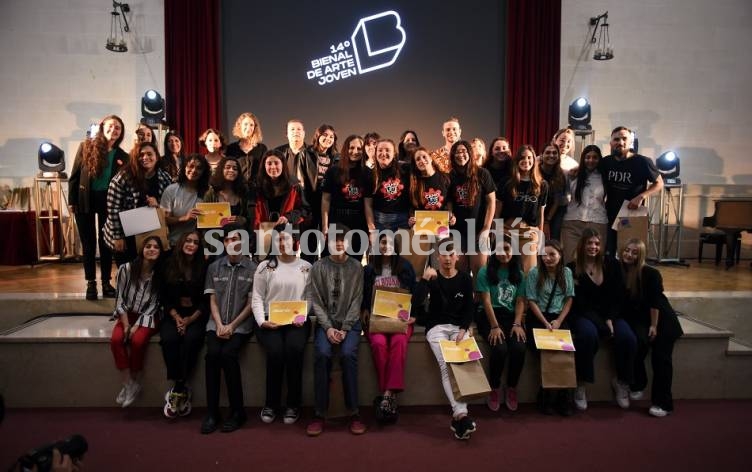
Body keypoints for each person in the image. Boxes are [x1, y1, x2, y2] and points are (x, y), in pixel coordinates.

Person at [413, 240, 477, 440]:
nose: (448, 259)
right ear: (438, 257)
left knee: (461, 364)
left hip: (459, 328)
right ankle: (461, 413)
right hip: (436, 328)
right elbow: (415, 303)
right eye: (444, 255)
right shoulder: (432, 277)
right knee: (445, 364)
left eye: (452, 254)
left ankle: (459, 418)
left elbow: (469, 307)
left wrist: (464, 328)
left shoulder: (466, 279)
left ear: (458, 257)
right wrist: (424, 280)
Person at [306, 224, 366, 436]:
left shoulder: (357, 267)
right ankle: (319, 413)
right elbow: (316, 303)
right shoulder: (318, 267)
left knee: (348, 354)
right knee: (322, 353)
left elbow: (357, 300)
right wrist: (329, 328)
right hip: (327, 324)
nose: (339, 243)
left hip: (350, 323)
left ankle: (354, 412)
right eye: (334, 239)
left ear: (349, 242)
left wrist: (346, 327)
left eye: (342, 239)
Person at [567, 228, 636, 411]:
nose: (593, 246)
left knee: (628, 338)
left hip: (610, 314)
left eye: (597, 243)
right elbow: (579, 304)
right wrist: (603, 324)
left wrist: (610, 319)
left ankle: (622, 382)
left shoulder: (612, 265)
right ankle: (580, 385)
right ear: (582, 244)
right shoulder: (572, 268)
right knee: (587, 335)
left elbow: (618, 296)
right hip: (584, 315)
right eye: (589, 243)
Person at [251, 228, 312, 425]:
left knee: (294, 349)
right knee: (276, 352)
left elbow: (310, 297)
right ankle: (271, 404)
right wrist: (262, 321)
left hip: (297, 321)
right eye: (278, 239)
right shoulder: (264, 267)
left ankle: (293, 405)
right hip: (270, 321)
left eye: (286, 238)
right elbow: (257, 298)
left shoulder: (306, 266)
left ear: (294, 242)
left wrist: (303, 315)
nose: (282, 242)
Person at [201, 223, 257, 434]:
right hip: (215, 323)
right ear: (223, 243)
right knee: (212, 354)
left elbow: (251, 304)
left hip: (240, 325)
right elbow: (212, 300)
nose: (233, 243)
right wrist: (219, 324)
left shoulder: (254, 269)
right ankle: (212, 412)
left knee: (228, 354)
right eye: (228, 240)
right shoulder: (214, 267)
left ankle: (237, 412)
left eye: (237, 239)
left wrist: (231, 326)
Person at [620, 238, 683, 417]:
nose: (629, 254)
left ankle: (663, 403)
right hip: (643, 320)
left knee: (661, 361)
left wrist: (654, 326)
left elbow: (655, 303)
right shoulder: (622, 271)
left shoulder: (651, 273)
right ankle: (638, 383)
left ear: (641, 256)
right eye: (627, 250)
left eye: (634, 252)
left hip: (663, 321)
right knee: (637, 344)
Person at [68, 114, 128, 300]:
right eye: (111, 126)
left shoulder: (122, 156)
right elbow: (75, 175)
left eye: (118, 127)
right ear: (103, 128)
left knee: (105, 244)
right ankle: (91, 284)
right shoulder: (86, 146)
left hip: (108, 202)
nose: (114, 130)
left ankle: (105, 283)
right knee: (88, 243)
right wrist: (72, 201)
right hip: (84, 199)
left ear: (121, 132)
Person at [362, 233, 417, 422]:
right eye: (383, 242)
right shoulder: (369, 269)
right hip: (377, 320)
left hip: (400, 320)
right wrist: (365, 310)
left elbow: (414, 295)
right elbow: (363, 296)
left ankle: (386, 394)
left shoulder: (405, 267)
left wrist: (413, 315)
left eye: (390, 242)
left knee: (399, 343)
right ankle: (389, 396)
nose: (386, 246)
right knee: (378, 344)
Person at [110, 235, 164, 408]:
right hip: (127, 314)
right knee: (116, 339)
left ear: (160, 252)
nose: (152, 249)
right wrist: (126, 325)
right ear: (142, 249)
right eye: (148, 246)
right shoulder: (125, 269)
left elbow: (154, 304)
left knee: (138, 341)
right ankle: (129, 384)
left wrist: (137, 326)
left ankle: (132, 382)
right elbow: (119, 299)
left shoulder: (160, 274)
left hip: (149, 316)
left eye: (156, 247)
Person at [159, 231, 208, 418]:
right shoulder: (169, 264)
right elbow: (163, 295)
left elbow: (206, 299)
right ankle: (180, 383)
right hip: (173, 313)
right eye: (188, 241)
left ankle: (179, 387)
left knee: (192, 339)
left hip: (196, 314)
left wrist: (190, 319)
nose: (191, 245)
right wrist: (177, 317)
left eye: (195, 242)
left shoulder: (204, 266)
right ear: (181, 243)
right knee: (169, 339)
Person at [475, 235, 527, 412]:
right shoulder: (485, 271)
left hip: (511, 317)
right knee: (500, 348)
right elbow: (486, 302)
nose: (503, 253)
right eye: (499, 249)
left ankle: (511, 387)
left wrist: (517, 324)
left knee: (519, 348)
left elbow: (520, 301)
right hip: (489, 316)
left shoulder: (519, 274)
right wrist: (495, 327)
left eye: (507, 249)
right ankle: (494, 387)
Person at [524, 239, 574, 416]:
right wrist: (545, 322)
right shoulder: (534, 273)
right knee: (546, 354)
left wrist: (559, 321)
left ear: (560, 255)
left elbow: (569, 298)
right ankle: (546, 397)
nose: (547, 258)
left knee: (566, 352)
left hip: (558, 317)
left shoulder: (566, 272)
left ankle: (565, 398)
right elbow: (531, 300)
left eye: (552, 254)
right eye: (544, 254)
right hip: (539, 317)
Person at [103, 141, 172, 265]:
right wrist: (118, 237)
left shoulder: (165, 178)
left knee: (152, 273)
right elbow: (113, 209)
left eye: (149, 154)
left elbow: (169, 208)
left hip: (153, 233)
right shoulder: (123, 177)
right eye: (141, 155)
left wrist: (158, 204)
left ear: (156, 156)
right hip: (126, 234)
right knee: (128, 272)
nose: (145, 158)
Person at [601, 126, 663, 255]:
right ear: (611, 143)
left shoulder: (643, 161)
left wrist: (641, 197)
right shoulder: (606, 162)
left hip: (631, 215)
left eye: (624, 139)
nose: (620, 142)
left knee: (631, 254)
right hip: (610, 214)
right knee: (609, 253)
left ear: (630, 142)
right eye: (616, 139)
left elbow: (659, 183)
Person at [447, 140, 496, 280]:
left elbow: (491, 202)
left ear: (470, 153)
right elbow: (449, 200)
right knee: (461, 273)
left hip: (479, 230)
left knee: (479, 273)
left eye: (463, 151)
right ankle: (464, 301)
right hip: (458, 231)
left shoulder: (482, 173)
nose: (460, 154)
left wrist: (486, 228)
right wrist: (450, 213)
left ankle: (479, 302)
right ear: (452, 155)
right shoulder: (451, 176)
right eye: (457, 152)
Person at [496, 145, 549, 272]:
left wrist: (540, 238)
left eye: (529, 157)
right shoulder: (506, 182)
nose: (526, 161)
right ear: (516, 161)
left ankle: (525, 293)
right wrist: (497, 234)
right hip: (507, 229)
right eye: (522, 157)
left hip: (530, 232)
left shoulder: (542, 185)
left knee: (529, 271)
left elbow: (541, 214)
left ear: (534, 160)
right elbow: (497, 211)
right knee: (506, 270)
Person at [321, 135, 371, 259]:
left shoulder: (367, 173)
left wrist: (371, 227)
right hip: (337, 220)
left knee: (355, 260)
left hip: (358, 221)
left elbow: (368, 204)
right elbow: (325, 200)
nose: (355, 152)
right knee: (332, 259)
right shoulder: (333, 171)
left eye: (359, 148)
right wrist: (324, 225)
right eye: (351, 148)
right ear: (345, 149)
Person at [560, 145, 608, 264]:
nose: (591, 160)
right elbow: (562, 195)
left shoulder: (605, 177)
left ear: (599, 159)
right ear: (583, 158)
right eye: (587, 157)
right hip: (572, 222)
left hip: (597, 222)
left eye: (595, 157)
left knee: (594, 260)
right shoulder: (572, 175)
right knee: (569, 259)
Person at [160, 154, 210, 247]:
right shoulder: (171, 190)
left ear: (204, 172)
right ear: (184, 167)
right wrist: (184, 218)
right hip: (174, 244)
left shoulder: (208, 193)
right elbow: (163, 220)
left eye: (199, 168)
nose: (194, 170)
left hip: (197, 246)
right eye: (191, 166)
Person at [364, 139, 411, 232]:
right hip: (380, 220)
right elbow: (368, 204)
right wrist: (370, 225)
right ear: (375, 153)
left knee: (403, 246)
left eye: (387, 150)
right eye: (380, 150)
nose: (383, 153)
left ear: (394, 154)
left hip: (403, 220)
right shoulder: (370, 174)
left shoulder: (405, 169)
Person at [203, 156, 251, 227]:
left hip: (239, 235)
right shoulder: (211, 194)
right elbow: (204, 221)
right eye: (227, 167)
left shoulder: (243, 192)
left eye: (235, 169)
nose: (231, 170)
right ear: (221, 170)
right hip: (215, 236)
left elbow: (249, 219)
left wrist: (242, 220)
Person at [225, 112, 268, 187]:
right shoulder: (231, 148)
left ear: (255, 128)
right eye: (245, 124)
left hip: (257, 191)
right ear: (239, 126)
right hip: (237, 190)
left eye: (251, 125)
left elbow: (265, 171)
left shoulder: (262, 148)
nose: (248, 127)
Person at [408, 146, 450, 216]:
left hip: (442, 222)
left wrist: (451, 214)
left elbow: (450, 200)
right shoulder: (414, 183)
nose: (422, 160)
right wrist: (412, 218)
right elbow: (412, 207)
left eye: (424, 157)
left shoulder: (445, 177)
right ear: (415, 165)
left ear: (430, 158)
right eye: (418, 159)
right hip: (423, 223)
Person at [539, 144, 567, 241]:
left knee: (552, 240)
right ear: (541, 155)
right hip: (535, 210)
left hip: (553, 213)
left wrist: (547, 221)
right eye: (548, 152)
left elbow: (556, 201)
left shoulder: (560, 175)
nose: (551, 155)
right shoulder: (534, 171)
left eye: (554, 153)